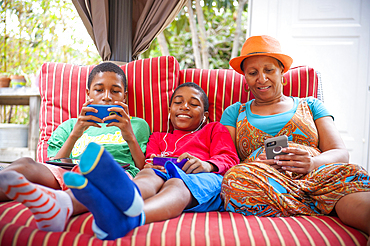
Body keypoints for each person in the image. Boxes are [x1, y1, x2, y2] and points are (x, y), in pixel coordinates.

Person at [219, 35, 370, 240]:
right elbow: (224, 159)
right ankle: (321, 204)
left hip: (318, 177)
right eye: (253, 73)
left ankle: (319, 200)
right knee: (234, 180)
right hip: (266, 183)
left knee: (351, 174)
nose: (261, 79)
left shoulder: (311, 105)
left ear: (282, 71)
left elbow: (341, 153)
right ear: (245, 78)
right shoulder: (234, 113)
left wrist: (312, 162)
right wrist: (254, 161)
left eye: (269, 70)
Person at [55, 82, 239, 240]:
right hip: (161, 174)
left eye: (193, 104)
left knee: (177, 182)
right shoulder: (158, 138)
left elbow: (230, 158)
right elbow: (147, 163)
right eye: (178, 102)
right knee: (148, 174)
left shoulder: (214, 129)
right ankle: (64, 203)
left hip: (200, 178)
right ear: (169, 111)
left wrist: (207, 164)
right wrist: (150, 165)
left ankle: (130, 219)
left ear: (205, 115)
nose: (184, 107)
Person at [0, 62, 151, 231]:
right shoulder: (70, 125)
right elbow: (53, 163)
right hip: (66, 172)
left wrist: (129, 135)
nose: (107, 97)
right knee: (26, 164)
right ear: (88, 94)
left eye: (115, 91)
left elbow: (142, 167)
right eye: (99, 90)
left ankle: (60, 205)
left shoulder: (136, 125)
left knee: (95, 179)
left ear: (124, 96)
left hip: (112, 174)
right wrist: (76, 133)